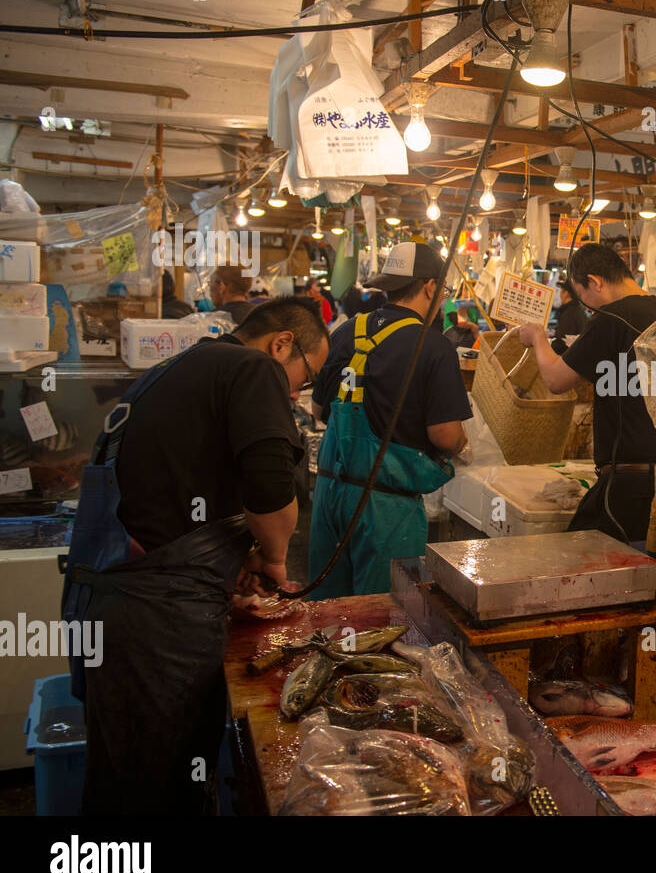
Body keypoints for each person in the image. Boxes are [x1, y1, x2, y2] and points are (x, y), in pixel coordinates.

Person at [60, 297, 328, 815]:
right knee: (156, 790)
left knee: (130, 783)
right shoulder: (254, 368)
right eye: (306, 374)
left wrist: (233, 562)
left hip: (115, 605)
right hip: (150, 624)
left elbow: (173, 498)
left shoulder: (185, 365)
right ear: (282, 344)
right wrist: (273, 560)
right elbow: (270, 490)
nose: (297, 391)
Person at [516, 244, 656, 542]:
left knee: (588, 562)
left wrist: (538, 338)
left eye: (585, 298)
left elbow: (555, 380)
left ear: (595, 282)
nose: (589, 307)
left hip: (632, 486)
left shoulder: (610, 320)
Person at [309, 243, 469, 597]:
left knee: (326, 611)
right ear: (430, 287)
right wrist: (462, 443)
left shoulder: (347, 331)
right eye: (442, 291)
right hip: (385, 509)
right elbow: (445, 435)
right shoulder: (434, 346)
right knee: (384, 615)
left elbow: (319, 411)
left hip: (329, 494)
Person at [551, 278, 588, 354]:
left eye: (561, 291)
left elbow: (561, 343)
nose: (560, 294)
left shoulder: (569, 313)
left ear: (566, 293)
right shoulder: (577, 309)